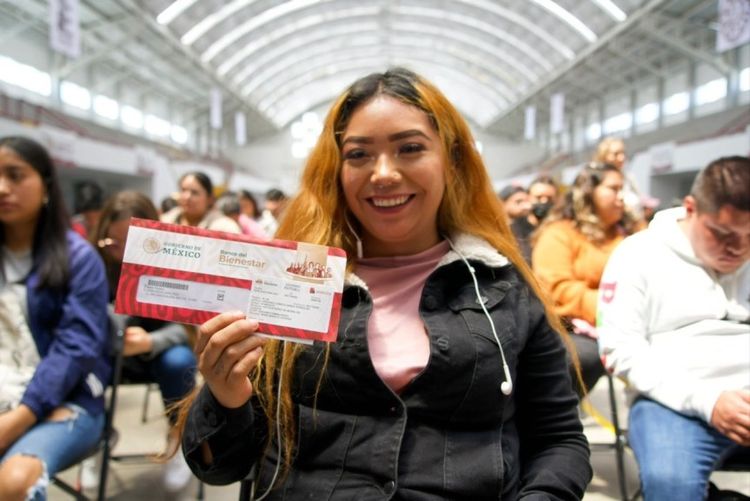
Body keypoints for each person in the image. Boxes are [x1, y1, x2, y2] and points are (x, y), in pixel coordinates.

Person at [175, 68, 591, 499]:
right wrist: (225, 396)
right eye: (358, 155)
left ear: (450, 160)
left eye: (410, 148)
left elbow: (558, 440)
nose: (384, 173)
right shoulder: (288, 284)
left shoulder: (502, 287)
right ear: (336, 169)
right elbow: (222, 467)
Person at [597, 156, 750, 500]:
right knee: (672, 485)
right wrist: (709, 401)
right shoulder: (638, 254)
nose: (738, 249)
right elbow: (619, 349)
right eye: (722, 233)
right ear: (691, 209)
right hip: (672, 402)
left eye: (749, 235)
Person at [0, 136, 110, 501]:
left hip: (64, 397)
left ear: (46, 185)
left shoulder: (79, 259)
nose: (2, 188)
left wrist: (18, 418)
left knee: (14, 482)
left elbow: (75, 349)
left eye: (15, 175)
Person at [92, 190, 197, 491]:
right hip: (108, 353)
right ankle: (94, 432)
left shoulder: (174, 264)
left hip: (157, 354)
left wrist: (149, 342)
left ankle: (177, 439)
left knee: (180, 362)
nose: (123, 252)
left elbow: (186, 329)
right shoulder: (94, 261)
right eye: (114, 244)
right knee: (81, 359)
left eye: (134, 244)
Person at [532, 162, 638, 393]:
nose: (622, 197)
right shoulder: (559, 233)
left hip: (633, 322)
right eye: (614, 188)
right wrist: (615, 308)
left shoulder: (633, 233)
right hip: (574, 327)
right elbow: (558, 289)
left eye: (624, 189)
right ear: (590, 192)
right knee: (581, 358)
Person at [161, 171, 241, 233]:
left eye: (194, 192)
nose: (187, 197)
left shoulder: (225, 228)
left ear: (210, 199)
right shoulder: (164, 222)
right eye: (183, 190)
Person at [511, 175, 559, 263]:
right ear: (528, 198)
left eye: (549, 198)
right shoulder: (514, 230)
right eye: (538, 197)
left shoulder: (561, 229)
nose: (544, 202)